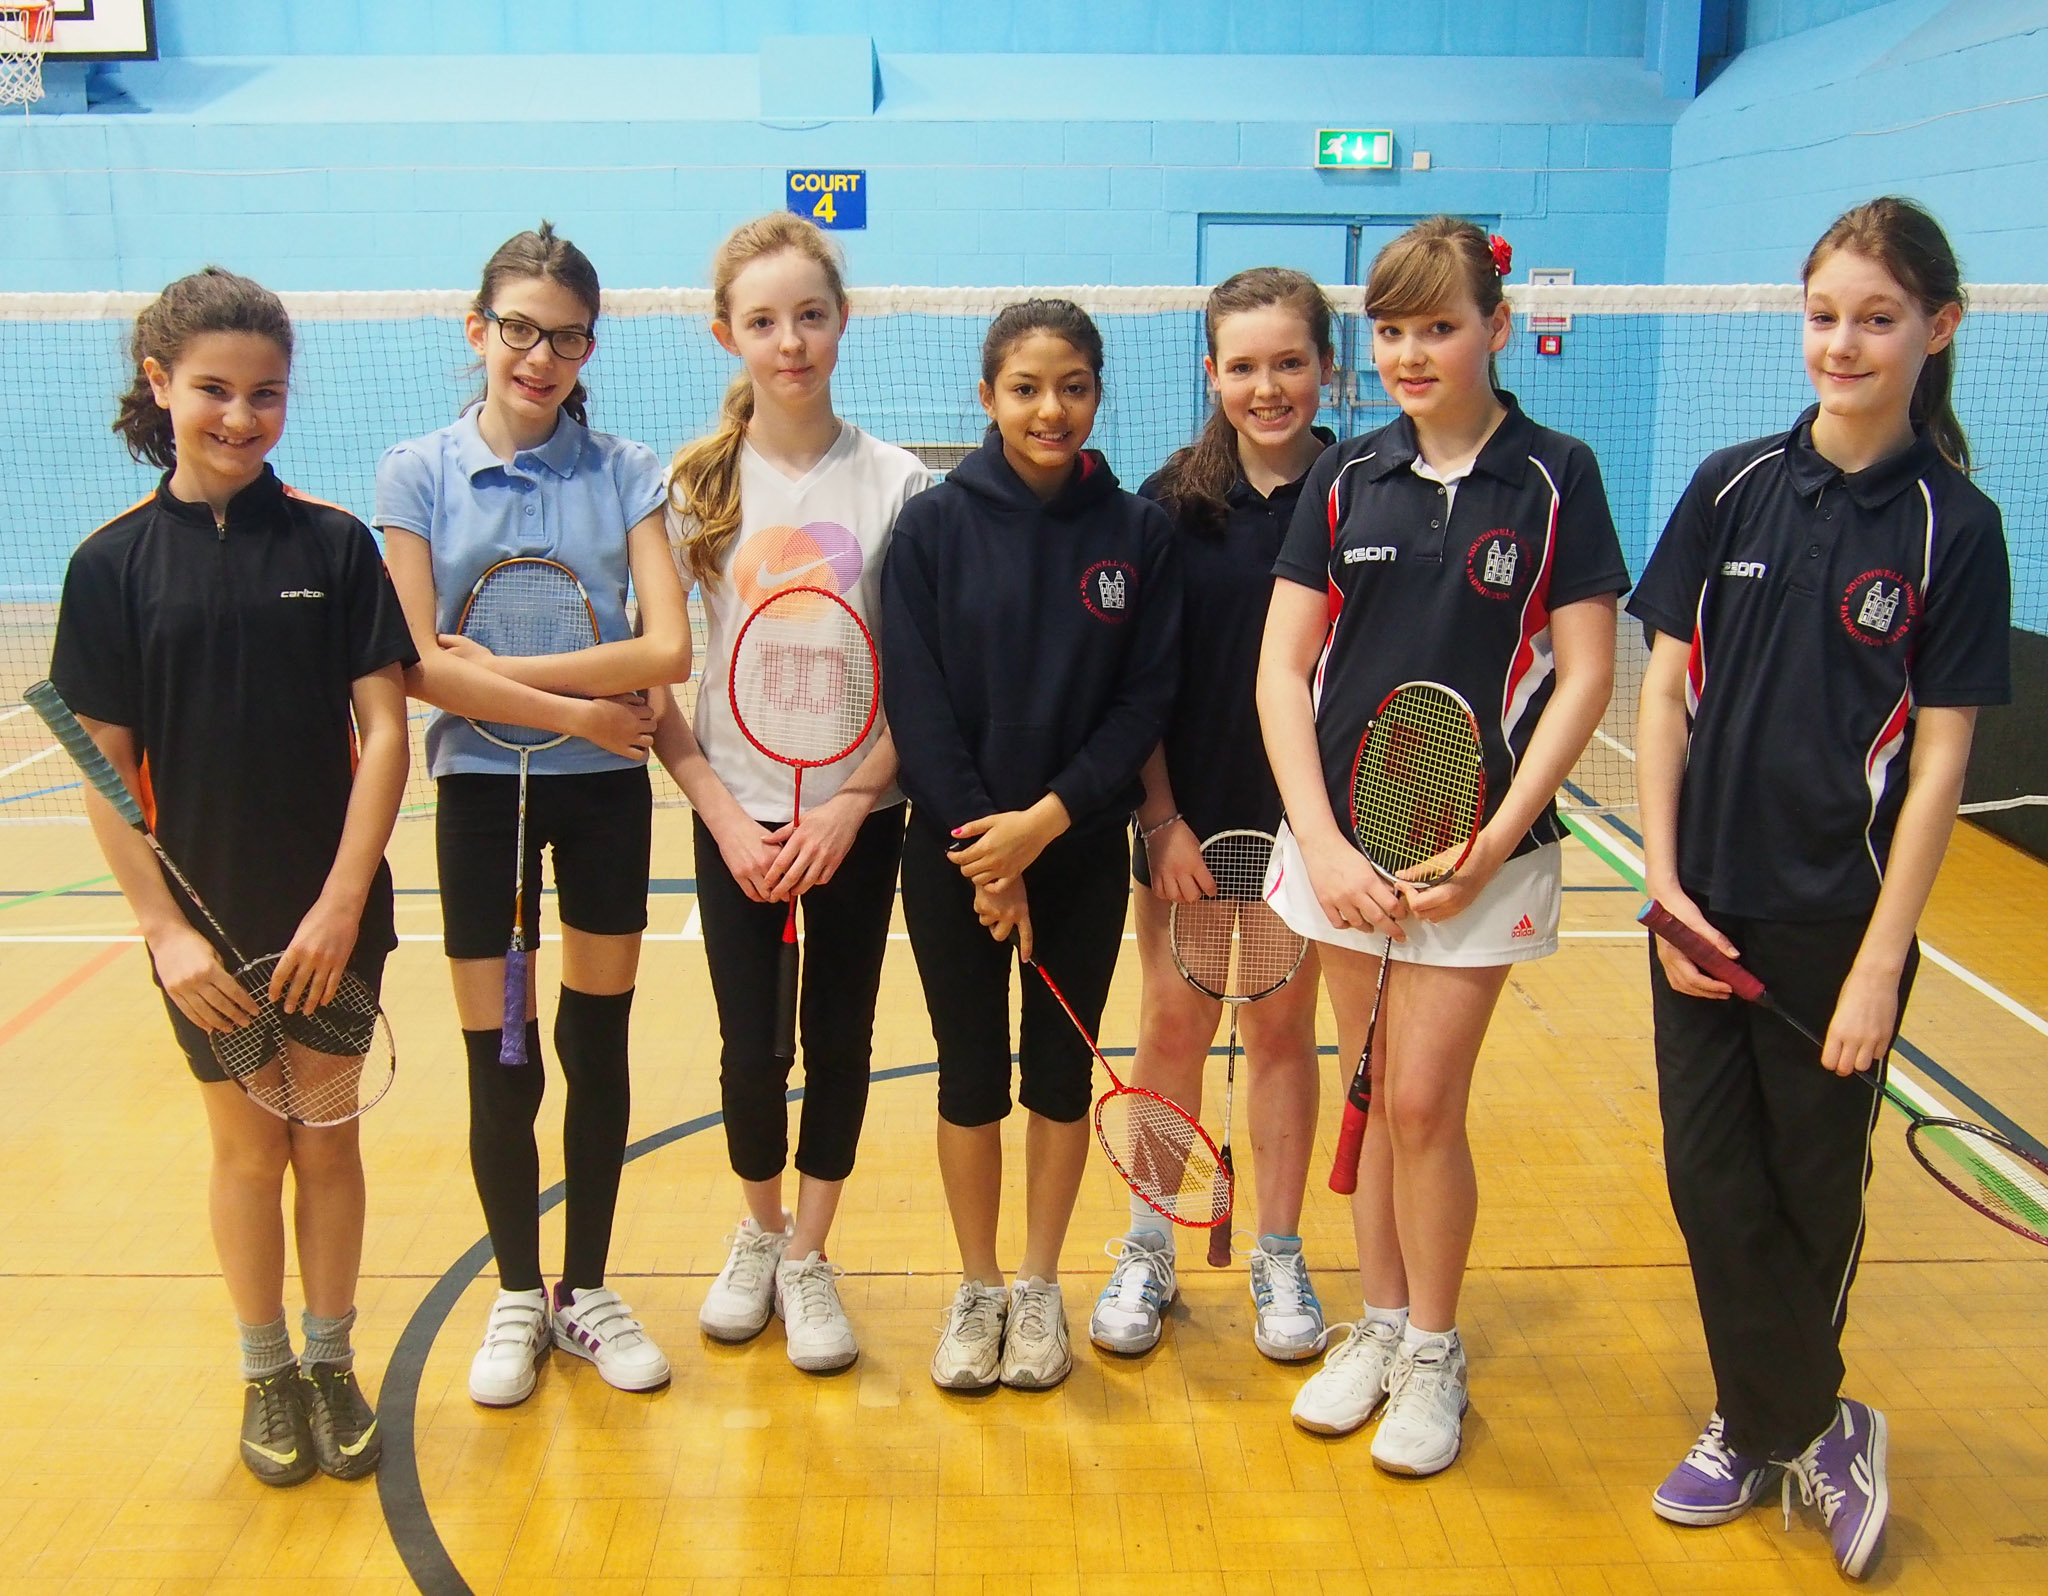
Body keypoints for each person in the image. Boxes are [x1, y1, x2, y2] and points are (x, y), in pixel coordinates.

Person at [1631, 197, 2008, 1579]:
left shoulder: (1952, 529)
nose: (1842, 343)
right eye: (1825, 315)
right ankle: (1811, 1417)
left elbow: (1943, 756)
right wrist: (1664, 887)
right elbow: (1662, 691)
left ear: (1937, 329)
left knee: (1810, 1196)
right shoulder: (1731, 485)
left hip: (1832, 925)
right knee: (1705, 1183)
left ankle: (1759, 1419)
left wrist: (1878, 964)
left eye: (1877, 318)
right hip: (1701, 910)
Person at [1258, 218, 1626, 1475]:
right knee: (1365, 1087)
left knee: (1420, 1103)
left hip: (1484, 854)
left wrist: (1491, 838)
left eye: (1438, 326)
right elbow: (1281, 666)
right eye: (1392, 328)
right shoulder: (1346, 476)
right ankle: (1372, 1324)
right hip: (1345, 853)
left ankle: (1431, 1347)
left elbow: (1583, 676)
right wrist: (1317, 842)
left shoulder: (1555, 475)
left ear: (1495, 328)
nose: (1411, 352)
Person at [49, 267, 415, 1486]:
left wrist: (344, 900)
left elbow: (387, 734)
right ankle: (264, 1373)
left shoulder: (334, 544)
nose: (241, 417)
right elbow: (105, 771)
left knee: (327, 1145)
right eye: (213, 390)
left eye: (266, 394)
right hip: (204, 934)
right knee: (248, 1155)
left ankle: (328, 1357)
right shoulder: (109, 568)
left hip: (332, 916)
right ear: (160, 385)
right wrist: (163, 932)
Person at [377, 223, 691, 1407]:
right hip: (483, 800)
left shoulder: (624, 469)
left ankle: (586, 1293)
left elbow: (665, 645)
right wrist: (580, 708)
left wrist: (507, 680)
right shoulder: (416, 471)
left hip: (607, 799)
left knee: (592, 1051)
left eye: (564, 337)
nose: (540, 355)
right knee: (497, 1062)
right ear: (479, 331)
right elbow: (415, 668)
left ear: (586, 345)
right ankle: (517, 1291)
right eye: (519, 329)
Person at [883, 298, 1180, 1392]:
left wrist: (1044, 826)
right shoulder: (930, 527)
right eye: (1024, 388)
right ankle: (976, 1288)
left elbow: (1144, 698)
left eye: (1070, 387)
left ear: (1097, 393)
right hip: (954, 854)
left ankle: (1041, 1285)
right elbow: (914, 704)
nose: (1047, 409)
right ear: (986, 397)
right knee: (968, 1078)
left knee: (1059, 1079)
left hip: (1080, 848)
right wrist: (986, 854)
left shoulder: (1137, 533)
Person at [656, 213, 930, 1373]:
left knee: (841, 1033)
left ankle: (812, 1256)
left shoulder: (900, 484)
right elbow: (655, 689)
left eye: (809, 315)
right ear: (727, 334)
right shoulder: (687, 489)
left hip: (859, 815)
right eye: (762, 321)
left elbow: (929, 684)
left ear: (841, 324)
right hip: (735, 812)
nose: (789, 342)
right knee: (747, 1042)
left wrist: (848, 803)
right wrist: (725, 814)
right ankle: (758, 1233)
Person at [1088, 268, 1333, 1362]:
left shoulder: (1359, 490)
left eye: (1288, 362)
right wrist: (1158, 820)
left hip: (1306, 833)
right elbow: (1135, 679)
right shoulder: (1166, 503)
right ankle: (1148, 1244)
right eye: (1242, 365)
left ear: (1326, 367)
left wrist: (1323, 834)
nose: (1266, 386)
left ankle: (1278, 1250)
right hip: (1185, 822)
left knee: (1281, 1030)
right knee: (1172, 1024)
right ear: (1210, 373)